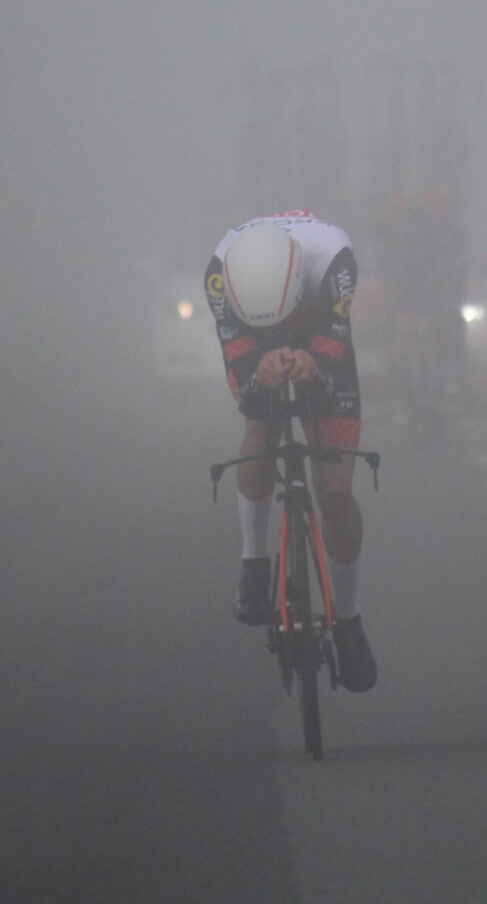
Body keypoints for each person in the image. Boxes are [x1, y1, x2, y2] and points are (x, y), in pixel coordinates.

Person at [205, 211, 377, 692]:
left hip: (320, 329)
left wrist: (313, 364)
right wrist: (259, 372)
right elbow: (242, 383)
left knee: (334, 487)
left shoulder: (335, 261)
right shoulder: (218, 277)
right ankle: (254, 562)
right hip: (251, 339)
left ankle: (349, 617)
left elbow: (333, 356)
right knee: (260, 427)